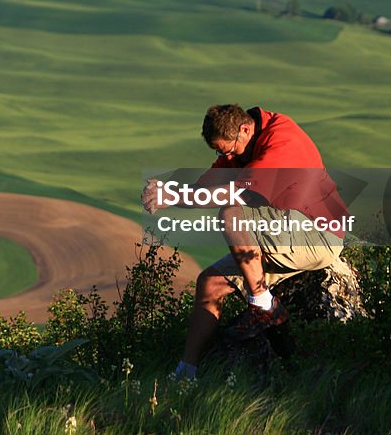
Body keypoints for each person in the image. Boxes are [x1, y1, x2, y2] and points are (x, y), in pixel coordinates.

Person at [142, 104, 350, 380]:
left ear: (244, 129)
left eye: (226, 150)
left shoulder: (282, 140)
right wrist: (169, 191)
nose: (224, 156)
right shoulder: (242, 141)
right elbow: (211, 185)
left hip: (319, 235)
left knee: (231, 214)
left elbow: (237, 193)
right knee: (210, 283)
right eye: (219, 152)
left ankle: (263, 305)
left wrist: (173, 198)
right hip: (282, 234)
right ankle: (186, 373)